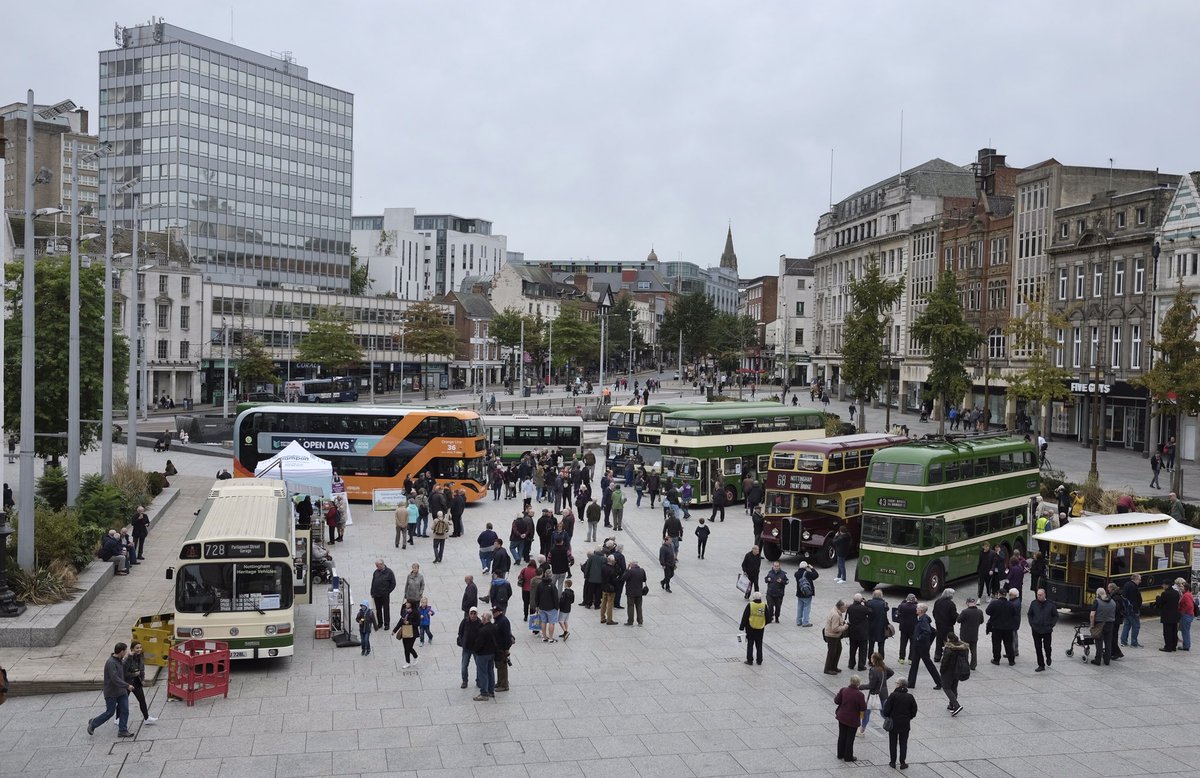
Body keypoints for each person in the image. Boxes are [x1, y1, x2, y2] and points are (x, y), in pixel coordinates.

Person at [87, 643, 134, 738]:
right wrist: (127, 685)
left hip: (121, 691)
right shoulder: (111, 663)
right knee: (110, 712)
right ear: (121, 651)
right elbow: (114, 678)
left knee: (125, 710)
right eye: (125, 651)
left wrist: (130, 657)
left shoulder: (119, 660)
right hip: (112, 692)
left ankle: (122, 730)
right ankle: (93, 723)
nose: (126, 652)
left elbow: (124, 668)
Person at [882, 678, 917, 769]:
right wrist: (909, 717)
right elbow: (914, 710)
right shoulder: (910, 696)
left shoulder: (893, 695)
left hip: (894, 724)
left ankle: (893, 762)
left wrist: (889, 715)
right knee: (903, 743)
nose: (895, 684)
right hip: (905, 723)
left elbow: (886, 710)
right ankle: (902, 762)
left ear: (900, 685)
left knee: (893, 742)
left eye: (896, 683)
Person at [833, 675, 867, 762]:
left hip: (842, 716)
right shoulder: (860, 695)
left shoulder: (843, 690)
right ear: (858, 684)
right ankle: (848, 756)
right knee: (850, 738)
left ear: (850, 681)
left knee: (842, 735)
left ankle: (840, 754)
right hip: (852, 719)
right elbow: (863, 707)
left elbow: (837, 701)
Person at [906, 604, 941, 690]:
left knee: (928, 664)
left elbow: (927, 631)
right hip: (919, 646)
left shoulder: (923, 620)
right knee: (914, 663)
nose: (916, 609)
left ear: (921, 610)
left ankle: (939, 682)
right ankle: (910, 683)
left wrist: (918, 638)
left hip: (922, 646)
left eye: (917, 608)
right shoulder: (922, 618)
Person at [123, 641, 157, 725]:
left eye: (140, 648)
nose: (139, 649)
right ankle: (117, 718)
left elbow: (142, 669)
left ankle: (146, 718)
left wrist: (142, 679)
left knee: (142, 700)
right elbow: (124, 672)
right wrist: (133, 674)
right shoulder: (127, 658)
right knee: (123, 701)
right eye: (137, 648)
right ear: (132, 649)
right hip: (127, 683)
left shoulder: (140, 657)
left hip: (136, 682)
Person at [860, 651, 893, 735]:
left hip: (874, 694)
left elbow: (871, 685)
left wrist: (860, 687)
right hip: (884, 693)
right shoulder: (884, 667)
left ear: (874, 660)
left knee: (867, 711)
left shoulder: (873, 670)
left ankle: (862, 730)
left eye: (871, 658)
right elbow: (891, 672)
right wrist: (884, 680)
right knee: (883, 712)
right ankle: (891, 724)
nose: (870, 659)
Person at [1027, 588, 1058, 672]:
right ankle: (1041, 664)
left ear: (1045, 595)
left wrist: (1051, 625)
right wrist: (1032, 624)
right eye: (1038, 595)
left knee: (1047, 646)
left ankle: (1048, 656)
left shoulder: (1051, 604)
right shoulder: (1034, 603)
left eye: (1040, 595)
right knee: (1038, 647)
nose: (1039, 596)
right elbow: (1030, 614)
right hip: (1036, 629)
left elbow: (1055, 615)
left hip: (1047, 629)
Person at [471, 611, 500, 700]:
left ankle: (484, 693)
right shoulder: (494, 627)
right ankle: (491, 691)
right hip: (491, 654)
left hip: (482, 655)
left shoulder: (483, 631)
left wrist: (475, 650)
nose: (481, 618)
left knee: (482, 673)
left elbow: (478, 644)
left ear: (485, 619)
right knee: (490, 672)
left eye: (482, 617)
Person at [986, 588, 1019, 666]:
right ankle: (1011, 660)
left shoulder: (994, 603)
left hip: (996, 627)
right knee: (1008, 644)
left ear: (998, 594)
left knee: (996, 644)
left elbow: (988, 612)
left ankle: (996, 660)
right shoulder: (1011, 604)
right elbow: (1014, 613)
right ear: (1006, 595)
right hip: (1008, 628)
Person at [938, 632, 968, 716]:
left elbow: (945, 661)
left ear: (948, 639)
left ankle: (956, 705)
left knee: (946, 687)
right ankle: (951, 705)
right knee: (954, 687)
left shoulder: (949, 648)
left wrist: (942, 670)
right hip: (958, 670)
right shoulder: (963, 647)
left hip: (948, 671)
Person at [956, 597, 985, 670]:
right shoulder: (980, 612)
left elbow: (958, 620)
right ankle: (973, 665)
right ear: (974, 603)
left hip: (965, 635)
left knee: (965, 650)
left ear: (967, 603)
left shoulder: (965, 612)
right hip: (974, 634)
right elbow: (981, 621)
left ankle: (965, 664)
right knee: (974, 650)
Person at [739, 592, 768, 665]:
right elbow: (768, 617)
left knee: (750, 644)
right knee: (759, 645)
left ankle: (750, 660)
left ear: (753, 598)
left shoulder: (750, 605)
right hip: (760, 628)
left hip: (750, 628)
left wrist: (742, 627)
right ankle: (759, 660)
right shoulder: (764, 605)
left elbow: (745, 616)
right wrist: (763, 623)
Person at [1090, 586, 1116, 666]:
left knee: (1099, 642)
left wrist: (1092, 625)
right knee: (1108, 642)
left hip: (1099, 624)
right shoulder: (1112, 602)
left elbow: (1092, 614)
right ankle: (1107, 660)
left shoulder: (1097, 601)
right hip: (1110, 624)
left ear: (1098, 594)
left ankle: (1098, 660)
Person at [457, 608, 481, 689]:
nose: (473, 615)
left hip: (476, 649)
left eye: (475, 614)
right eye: (471, 613)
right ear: (469, 614)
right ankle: (464, 681)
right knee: (464, 665)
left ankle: (479, 681)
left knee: (479, 665)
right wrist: (462, 641)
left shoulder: (480, 622)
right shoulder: (465, 621)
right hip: (466, 648)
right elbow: (460, 632)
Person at [822, 600, 848, 675]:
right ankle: (828, 668)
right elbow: (835, 628)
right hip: (832, 636)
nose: (845, 609)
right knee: (832, 652)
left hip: (835, 635)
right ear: (841, 607)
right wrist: (844, 627)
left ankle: (834, 666)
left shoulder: (836, 610)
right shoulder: (836, 615)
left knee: (838, 650)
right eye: (845, 607)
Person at [492, 605, 514, 692]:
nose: (493, 614)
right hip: (498, 648)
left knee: (502, 667)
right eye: (493, 612)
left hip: (502, 648)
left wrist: (506, 649)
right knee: (499, 666)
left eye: (495, 612)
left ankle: (504, 685)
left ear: (499, 612)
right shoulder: (498, 620)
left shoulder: (503, 621)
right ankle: (500, 682)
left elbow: (507, 636)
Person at [846, 593, 870, 671]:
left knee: (852, 649)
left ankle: (851, 664)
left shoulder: (850, 608)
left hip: (852, 632)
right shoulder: (863, 608)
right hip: (862, 633)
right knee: (863, 650)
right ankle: (861, 665)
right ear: (860, 600)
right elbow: (871, 611)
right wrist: (865, 603)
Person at [393, 600, 421, 668]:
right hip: (404, 631)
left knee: (409, 647)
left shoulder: (416, 612)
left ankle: (415, 656)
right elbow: (401, 621)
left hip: (412, 632)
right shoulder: (404, 611)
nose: (406, 604)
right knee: (405, 648)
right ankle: (407, 662)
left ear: (411, 604)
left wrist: (409, 622)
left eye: (407, 603)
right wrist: (394, 630)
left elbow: (418, 623)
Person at [370, 560, 397, 631]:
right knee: (378, 609)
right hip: (376, 594)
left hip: (384, 595)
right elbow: (373, 582)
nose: (376, 567)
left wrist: (388, 591)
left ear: (382, 565)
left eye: (377, 566)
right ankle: (380, 623)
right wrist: (372, 592)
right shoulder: (376, 572)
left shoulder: (389, 572)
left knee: (386, 609)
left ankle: (386, 624)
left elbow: (393, 583)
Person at [932, 589, 957, 662]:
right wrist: (954, 621)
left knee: (939, 639)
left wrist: (937, 620)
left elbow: (934, 612)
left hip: (939, 624)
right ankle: (947, 656)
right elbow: (953, 616)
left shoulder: (937, 601)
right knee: (948, 641)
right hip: (948, 625)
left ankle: (937, 656)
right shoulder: (951, 604)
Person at [537, 572, 563, 640]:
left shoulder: (540, 585)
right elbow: (555, 597)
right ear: (551, 577)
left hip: (542, 606)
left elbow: (537, 596)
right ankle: (551, 638)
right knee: (552, 623)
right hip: (551, 607)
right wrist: (557, 606)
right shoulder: (552, 585)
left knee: (543, 622)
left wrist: (537, 605)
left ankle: (544, 637)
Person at [1121, 572, 1144, 648]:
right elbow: (1136, 599)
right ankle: (1134, 643)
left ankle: (1123, 641)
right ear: (1136, 579)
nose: (1140, 582)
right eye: (1139, 580)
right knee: (1136, 626)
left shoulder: (1127, 584)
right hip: (1133, 610)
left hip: (1126, 609)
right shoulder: (1134, 587)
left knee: (1127, 625)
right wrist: (1137, 609)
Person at [865, 588, 891, 658]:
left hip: (871, 627)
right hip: (881, 627)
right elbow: (886, 611)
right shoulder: (884, 604)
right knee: (881, 645)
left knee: (871, 644)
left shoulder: (869, 603)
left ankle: (870, 660)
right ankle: (881, 659)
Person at [1157, 580, 1181, 652]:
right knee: (1174, 631)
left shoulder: (1165, 594)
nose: (1162, 586)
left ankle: (1168, 647)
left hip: (1167, 616)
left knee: (1167, 632)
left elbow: (1159, 603)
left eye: (1163, 585)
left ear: (1167, 585)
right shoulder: (1176, 593)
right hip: (1175, 615)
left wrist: (1157, 597)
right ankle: (1174, 646)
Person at [794, 561, 818, 627]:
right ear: (806, 567)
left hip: (799, 593)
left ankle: (798, 621)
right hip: (807, 594)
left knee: (799, 607)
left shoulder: (796, 574)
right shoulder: (808, 573)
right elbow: (816, 575)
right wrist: (812, 568)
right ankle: (805, 622)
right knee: (807, 607)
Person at [896, 593, 918, 665]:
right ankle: (911, 659)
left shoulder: (902, 606)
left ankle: (901, 658)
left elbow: (898, 609)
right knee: (912, 644)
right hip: (913, 628)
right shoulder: (916, 606)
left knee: (903, 643)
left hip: (903, 627)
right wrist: (916, 602)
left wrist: (904, 601)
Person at [623, 561, 647, 626]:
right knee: (639, 607)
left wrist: (627, 569)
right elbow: (644, 579)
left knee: (630, 607)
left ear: (631, 565)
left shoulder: (630, 571)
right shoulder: (642, 570)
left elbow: (623, 578)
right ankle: (640, 621)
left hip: (630, 593)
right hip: (639, 592)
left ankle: (630, 621)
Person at [1177, 577, 1195, 651]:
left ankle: (1186, 646)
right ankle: (1186, 645)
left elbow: (1189, 605)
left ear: (1185, 588)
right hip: (1189, 615)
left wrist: (1183, 612)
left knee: (1185, 631)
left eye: (1182, 586)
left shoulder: (1186, 595)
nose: (1180, 587)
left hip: (1186, 615)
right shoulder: (1187, 594)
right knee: (1185, 630)